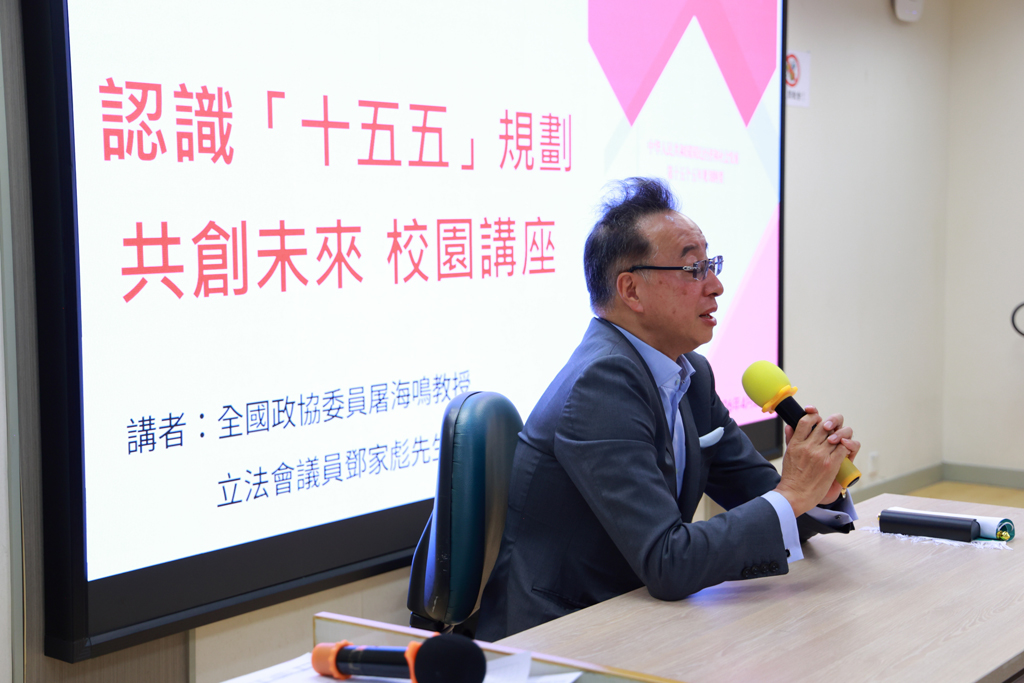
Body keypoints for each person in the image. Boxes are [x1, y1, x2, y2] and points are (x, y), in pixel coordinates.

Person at [476, 178, 860, 642]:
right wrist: (793, 492)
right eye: (693, 269)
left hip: (639, 615)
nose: (716, 286)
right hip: (563, 635)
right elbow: (669, 561)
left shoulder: (691, 375)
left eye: (711, 264)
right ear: (631, 291)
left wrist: (818, 489)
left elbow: (766, 500)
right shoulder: (601, 385)